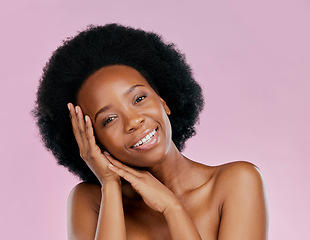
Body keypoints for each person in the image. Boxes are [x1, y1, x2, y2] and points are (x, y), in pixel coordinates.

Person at [34, 23, 268, 240]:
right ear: (92, 139)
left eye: (139, 98)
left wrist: (171, 207)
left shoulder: (236, 182)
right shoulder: (91, 200)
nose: (133, 121)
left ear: (163, 101)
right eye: (109, 119)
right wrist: (110, 185)